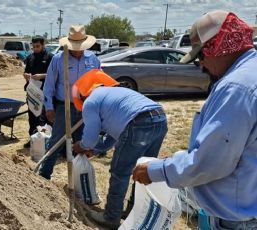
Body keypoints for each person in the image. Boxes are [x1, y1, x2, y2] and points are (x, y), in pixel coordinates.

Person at [133, 10, 257, 229]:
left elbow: (212, 162)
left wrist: (155, 171)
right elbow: (238, 148)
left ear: (218, 47)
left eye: (201, 55)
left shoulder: (236, 88)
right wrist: (182, 158)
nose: (201, 64)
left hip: (238, 220)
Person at [70, 70, 167, 229]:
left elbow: (91, 136)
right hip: (159, 119)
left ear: (82, 95)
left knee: (120, 172)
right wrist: (95, 150)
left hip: (138, 123)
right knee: (144, 170)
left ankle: (111, 217)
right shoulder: (114, 94)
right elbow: (114, 135)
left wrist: (82, 146)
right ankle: (135, 211)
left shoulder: (90, 102)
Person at [39, 25, 100, 180]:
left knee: (82, 143)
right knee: (56, 141)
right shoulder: (59, 59)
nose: (78, 50)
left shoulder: (93, 59)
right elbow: (49, 85)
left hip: (86, 107)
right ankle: (44, 176)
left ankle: (79, 178)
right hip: (63, 106)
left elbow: (98, 82)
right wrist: (49, 107)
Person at [23, 36, 53, 148]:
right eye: (33, 46)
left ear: (43, 45)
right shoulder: (30, 57)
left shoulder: (50, 57)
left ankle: (46, 140)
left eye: (38, 46)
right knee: (32, 116)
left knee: (44, 117)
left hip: (45, 91)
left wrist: (41, 76)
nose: (35, 48)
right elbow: (26, 71)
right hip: (32, 91)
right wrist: (26, 76)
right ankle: (33, 138)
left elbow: (54, 75)